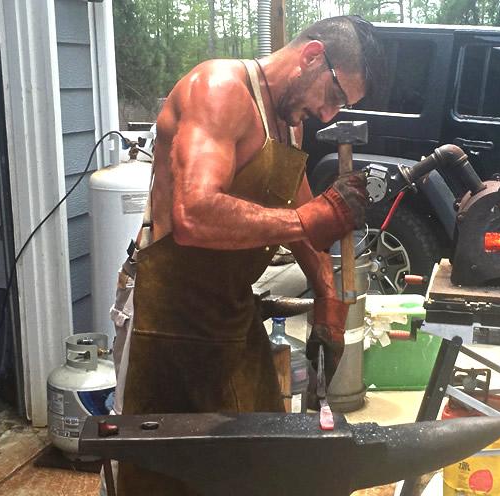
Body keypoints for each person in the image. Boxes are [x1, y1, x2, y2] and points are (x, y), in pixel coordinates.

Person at [112, 15, 383, 495]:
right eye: (335, 96)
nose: (329, 115)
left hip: (231, 310)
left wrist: (326, 296)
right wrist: (309, 220)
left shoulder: (289, 123)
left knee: (261, 457)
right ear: (312, 56)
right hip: (167, 318)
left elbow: (300, 210)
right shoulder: (218, 89)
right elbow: (194, 214)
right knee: (163, 471)